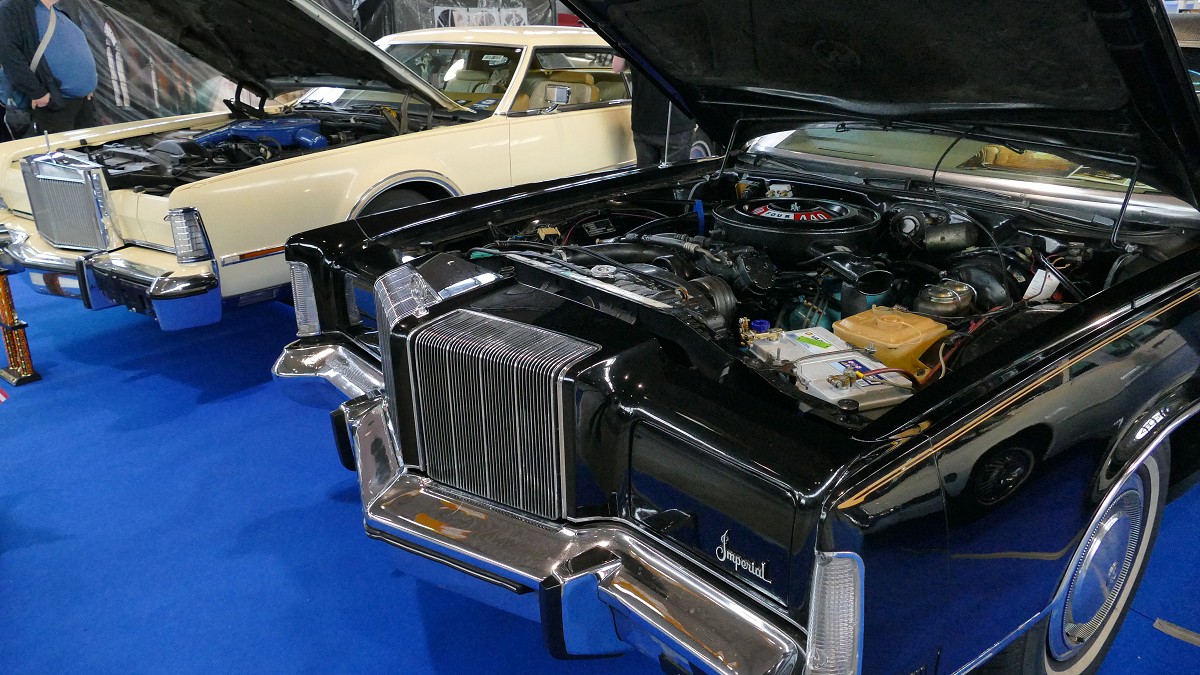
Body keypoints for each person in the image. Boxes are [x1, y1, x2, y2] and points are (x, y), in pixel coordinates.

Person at [0, 0, 98, 136]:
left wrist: (87, 84)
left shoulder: (59, 13)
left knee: (86, 148)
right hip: (53, 102)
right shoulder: (12, 6)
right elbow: (8, 53)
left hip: (82, 102)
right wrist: (36, 91)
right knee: (58, 149)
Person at [614, 56, 695, 166]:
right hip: (677, 121)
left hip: (643, 120)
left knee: (647, 174)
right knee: (675, 175)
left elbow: (617, 67)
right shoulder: (684, 44)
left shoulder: (633, 43)